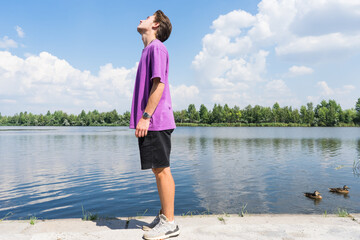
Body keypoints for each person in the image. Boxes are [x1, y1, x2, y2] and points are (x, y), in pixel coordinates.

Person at [129, 10, 180, 240]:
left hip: (156, 120)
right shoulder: (148, 50)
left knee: (161, 169)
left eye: (148, 17)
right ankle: (163, 216)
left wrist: (146, 116)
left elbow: (159, 85)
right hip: (153, 120)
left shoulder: (156, 47)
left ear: (156, 25)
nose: (142, 19)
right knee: (157, 168)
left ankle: (169, 223)